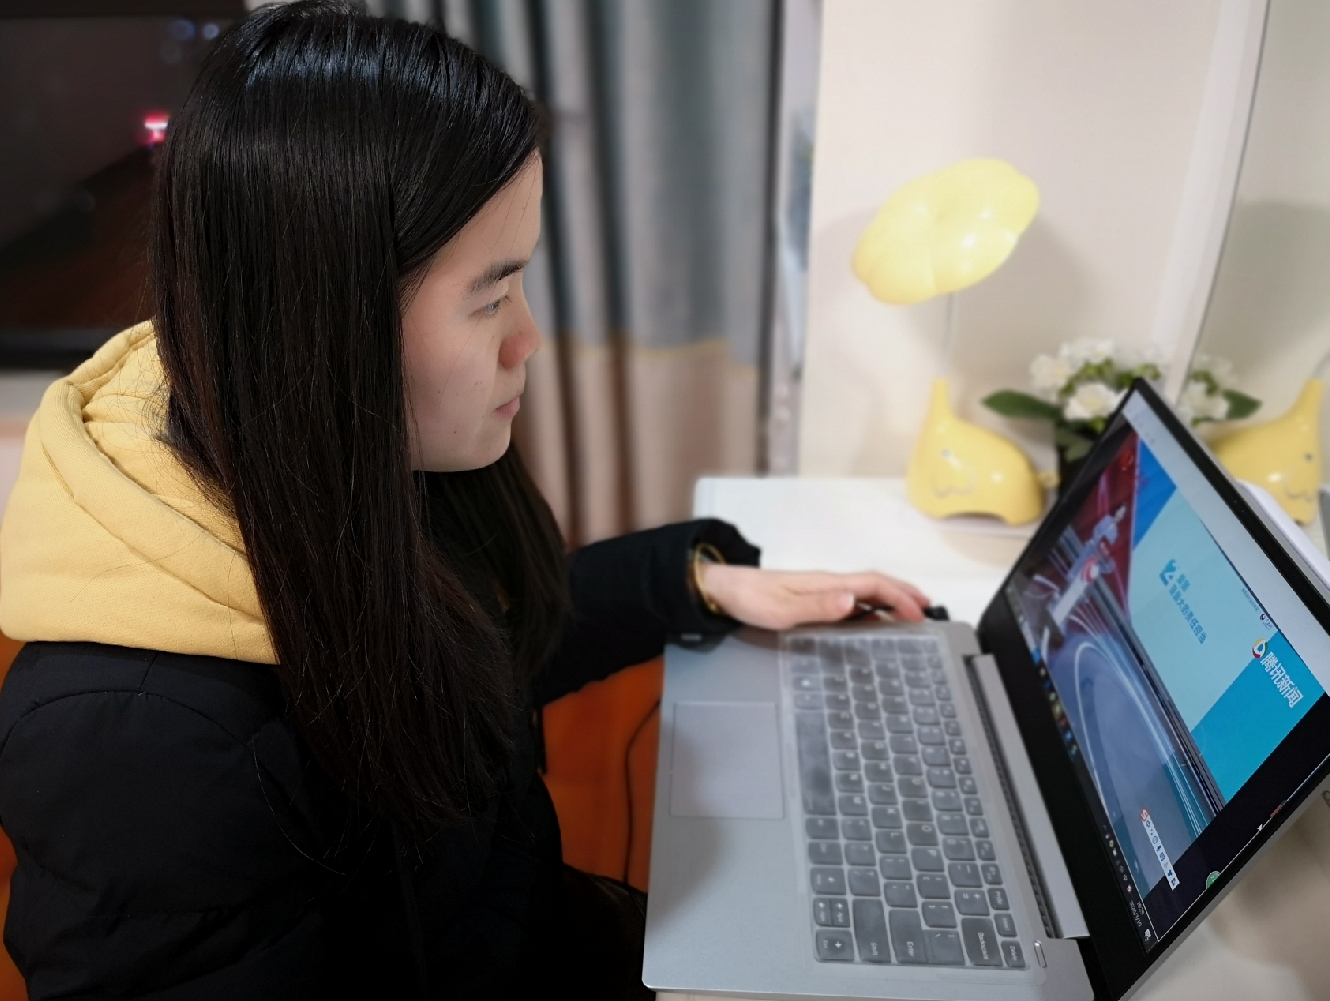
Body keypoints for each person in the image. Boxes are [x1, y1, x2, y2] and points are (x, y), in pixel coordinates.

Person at [0, 4, 929, 998]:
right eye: (489, 297)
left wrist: (699, 582)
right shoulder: (134, 739)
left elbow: (477, 646)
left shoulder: (329, 445)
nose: (527, 340)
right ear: (331, 323)